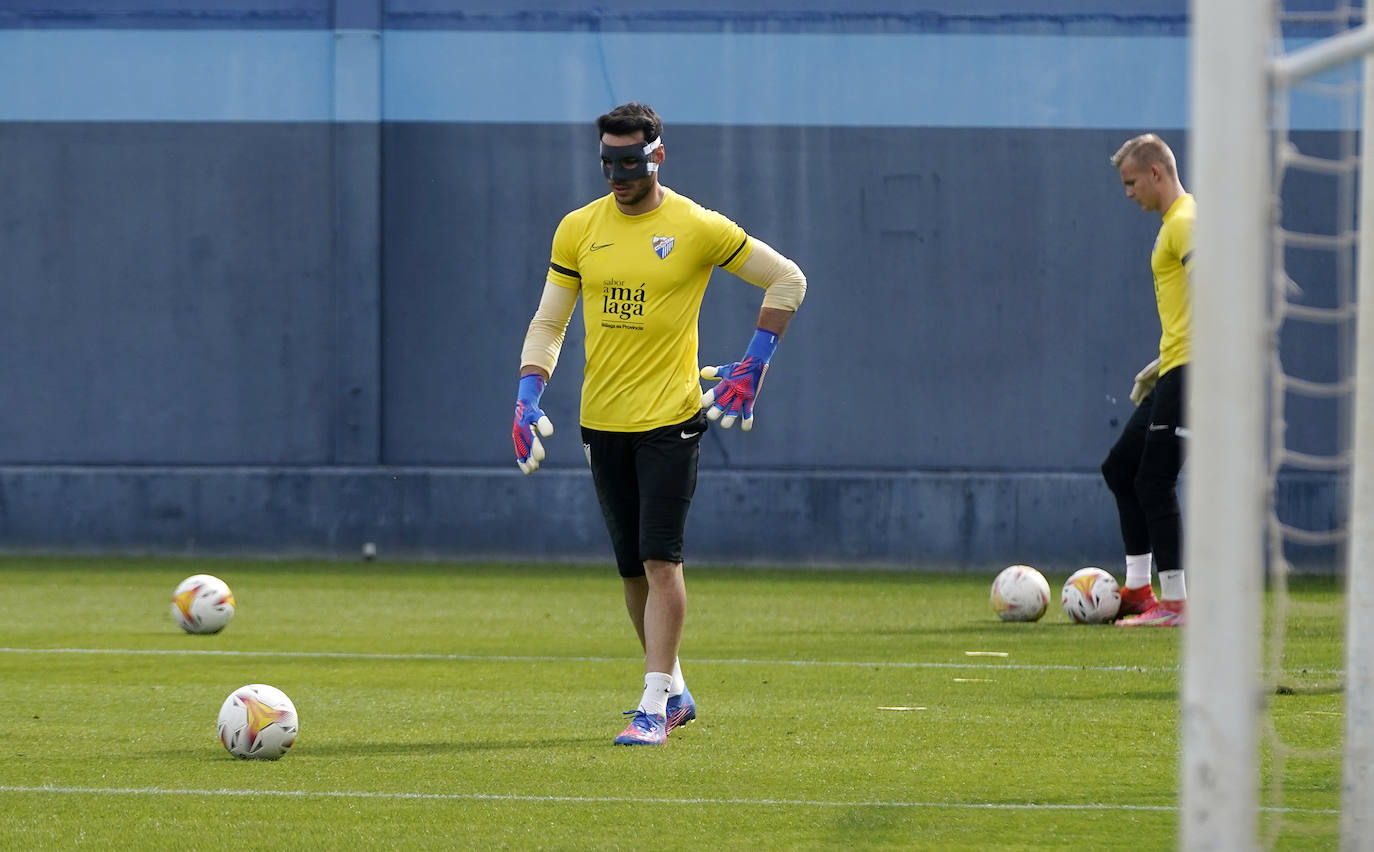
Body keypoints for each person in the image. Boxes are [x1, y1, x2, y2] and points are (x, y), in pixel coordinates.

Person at [511, 102, 807, 744]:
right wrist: (528, 394)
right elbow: (549, 322)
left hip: (671, 420)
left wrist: (754, 365)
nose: (618, 174)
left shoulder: (694, 226)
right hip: (601, 423)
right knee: (629, 570)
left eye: (630, 161)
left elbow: (787, 280)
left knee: (660, 562)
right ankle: (673, 688)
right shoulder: (578, 229)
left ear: (657, 156)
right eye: (608, 162)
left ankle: (652, 705)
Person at [1101, 133, 1193, 627]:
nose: (1128, 192)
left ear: (1156, 173)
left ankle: (1176, 603)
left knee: (1154, 481)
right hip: (1174, 367)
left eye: (1131, 182)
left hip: (1196, 370)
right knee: (1120, 468)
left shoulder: (1187, 221)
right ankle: (1138, 588)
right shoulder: (1172, 225)